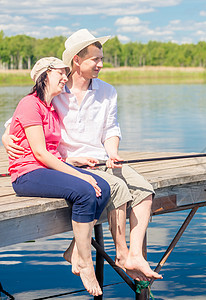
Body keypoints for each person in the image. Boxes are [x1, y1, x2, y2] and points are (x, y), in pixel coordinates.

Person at [2, 29, 162, 282]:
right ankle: (118, 253)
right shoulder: (55, 90)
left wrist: (113, 153)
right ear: (77, 59)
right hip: (70, 164)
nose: (101, 64)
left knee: (144, 190)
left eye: (101, 58)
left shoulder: (107, 91)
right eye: (95, 59)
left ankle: (135, 255)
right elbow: (18, 120)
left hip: (101, 157)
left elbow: (111, 127)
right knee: (113, 189)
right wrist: (5, 137)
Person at [7, 57, 110, 296]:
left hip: (46, 169)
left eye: (66, 74)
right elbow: (40, 153)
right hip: (27, 174)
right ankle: (85, 261)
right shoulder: (29, 104)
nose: (65, 78)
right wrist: (79, 176)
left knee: (103, 187)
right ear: (44, 76)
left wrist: (73, 163)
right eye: (60, 74)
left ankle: (74, 248)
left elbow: (50, 152)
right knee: (85, 190)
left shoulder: (50, 107)